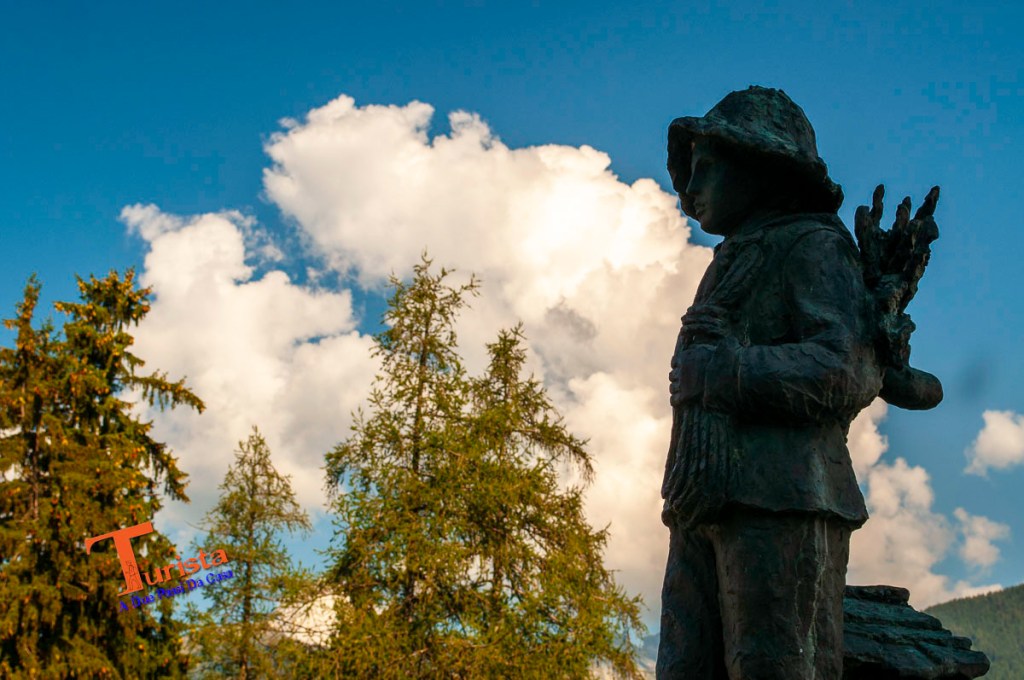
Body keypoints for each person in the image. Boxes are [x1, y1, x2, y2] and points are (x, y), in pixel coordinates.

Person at [658, 86, 884, 679]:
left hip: (783, 495)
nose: (690, 188)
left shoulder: (813, 246)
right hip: (701, 494)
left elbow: (846, 367)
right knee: (684, 665)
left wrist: (724, 371)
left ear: (760, 166)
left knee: (773, 665)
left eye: (708, 168)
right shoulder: (732, 259)